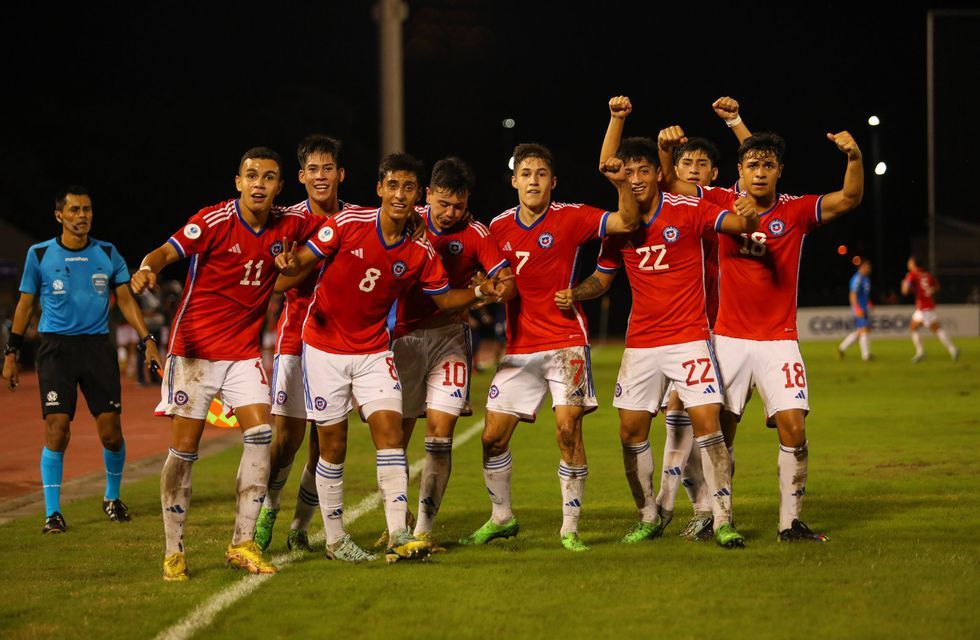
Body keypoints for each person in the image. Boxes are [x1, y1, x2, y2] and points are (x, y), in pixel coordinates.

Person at [275, 153, 510, 563]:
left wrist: (480, 293)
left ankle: (402, 532)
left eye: (408, 188)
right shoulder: (348, 225)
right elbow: (297, 268)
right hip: (325, 347)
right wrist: (283, 265)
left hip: (375, 349)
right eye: (393, 186)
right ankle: (334, 540)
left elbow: (445, 298)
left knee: (391, 438)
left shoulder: (421, 251)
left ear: (416, 194)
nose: (400, 195)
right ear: (380, 188)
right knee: (331, 444)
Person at [558, 97, 758, 548]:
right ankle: (649, 514)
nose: (636, 178)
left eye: (644, 171)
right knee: (630, 432)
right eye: (628, 172)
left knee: (708, 424)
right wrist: (578, 292)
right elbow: (603, 279)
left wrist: (745, 217)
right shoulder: (621, 229)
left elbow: (734, 224)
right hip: (642, 344)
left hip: (690, 339)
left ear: (656, 174)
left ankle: (722, 517)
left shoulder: (687, 209)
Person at [659, 122, 864, 542]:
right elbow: (669, 184)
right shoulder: (720, 201)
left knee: (794, 426)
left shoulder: (795, 210)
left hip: (779, 341)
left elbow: (849, 198)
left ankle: (790, 522)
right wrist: (664, 150)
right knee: (722, 431)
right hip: (728, 339)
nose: (759, 172)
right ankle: (721, 519)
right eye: (752, 164)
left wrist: (854, 158)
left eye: (768, 165)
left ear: (779, 171)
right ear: (739, 169)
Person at [132, 147, 323, 581]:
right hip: (195, 352)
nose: (259, 183)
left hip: (241, 354)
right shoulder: (215, 220)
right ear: (238, 181)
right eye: (251, 175)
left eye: (269, 177)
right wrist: (147, 268)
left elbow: (337, 231)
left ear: (279, 187)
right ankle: (173, 550)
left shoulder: (290, 225)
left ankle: (241, 543)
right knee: (185, 450)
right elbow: (165, 252)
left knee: (260, 435)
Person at [460, 112, 641, 553]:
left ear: (553, 182)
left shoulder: (572, 217)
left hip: (566, 344)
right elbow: (476, 282)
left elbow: (625, 223)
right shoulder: (496, 228)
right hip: (519, 349)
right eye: (526, 174)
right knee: (491, 437)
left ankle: (569, 529)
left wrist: (621, 185)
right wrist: (482, 292)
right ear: (514, 181)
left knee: (567, 432)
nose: (533, 181)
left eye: (541, 174)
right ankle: (501, 517)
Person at [2, 186, 162, 534]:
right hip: (55, 350)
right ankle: (53, 513)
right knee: (57, 429)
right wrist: (11, 353)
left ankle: (112, 497)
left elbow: (126, 300)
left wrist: (147, 340)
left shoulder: (107, 252)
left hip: (97, 349)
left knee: (111, 434)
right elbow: (25, 306)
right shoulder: (40, 254)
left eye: (87, 209)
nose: (82, 216)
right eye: (74, 210)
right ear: (59, 215)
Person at [389, 156, 514, 549]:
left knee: (439, 436)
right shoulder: (409, 220)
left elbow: (506, 281)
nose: (450, 213)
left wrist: (496, 289)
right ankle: (397, 522)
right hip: (404, 340)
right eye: (443, 204)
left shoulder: (477, 232)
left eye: (458, 206)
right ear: (428, 196)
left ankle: (424, 529)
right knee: (396, 437)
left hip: (449, 341)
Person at [650, 96, 756, 542]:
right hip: (687, 327)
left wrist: (735, 122)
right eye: (685, 161)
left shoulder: (727, 201)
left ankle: (712, 510)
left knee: (719, 429)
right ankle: (677, 507)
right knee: (679, 417)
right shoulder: (678, 201)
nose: (692, 168)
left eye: (701, 163)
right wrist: (662, 150)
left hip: (730, 330)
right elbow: (663, 181)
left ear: (715, 172)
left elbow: (759, 163)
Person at [254, 134, 365, 553]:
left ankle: (300, 525)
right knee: (286, 439)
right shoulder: (288, 220)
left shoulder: (357, 217)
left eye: (328, 168)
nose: (321, 177)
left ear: (341, 173)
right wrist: (306, 259)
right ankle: (269, 508)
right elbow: (277, 282)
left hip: (342, 342)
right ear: (301, 176)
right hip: (297, 336)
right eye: (312, 169)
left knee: (326, 442)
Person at [902, 256, 958, 362]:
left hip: (923, 308)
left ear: (914, 264)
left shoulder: (912, 274)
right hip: (927, 305)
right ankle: (921, 352)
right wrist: (929, 291)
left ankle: (952, 349)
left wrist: (904, 285)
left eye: (909, 262)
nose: (908, 264)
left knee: (935, 329)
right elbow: (937, 287)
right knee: (914, 328)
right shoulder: (926, 274)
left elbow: (905, 291)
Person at [838, 258, 873, 360]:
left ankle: (842, 348)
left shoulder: (866, 279)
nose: (869, 268)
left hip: (864, 308)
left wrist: (869, 303)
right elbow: (852, 294)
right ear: (861, 267)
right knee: (865, 330)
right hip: (859, 308)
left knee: (861, 331)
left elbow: (864, 294)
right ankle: (866, 356)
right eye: (867, 266)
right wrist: (857, 308)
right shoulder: (857, 278)